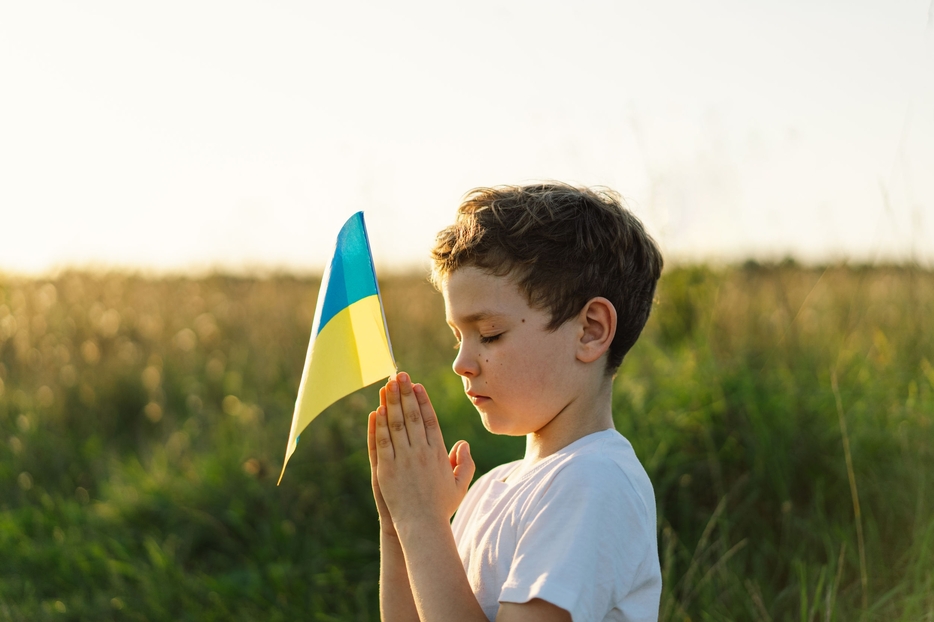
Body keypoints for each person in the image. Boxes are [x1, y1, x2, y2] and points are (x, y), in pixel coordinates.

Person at [366, 183, 664, 622]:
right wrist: (399, 524)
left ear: (591, 330)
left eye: (489, 333)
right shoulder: (492, 488)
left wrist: (424, 523)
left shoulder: (593, 482)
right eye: (457, 337)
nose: (462, 363)